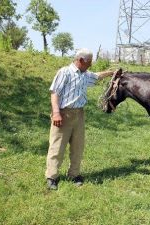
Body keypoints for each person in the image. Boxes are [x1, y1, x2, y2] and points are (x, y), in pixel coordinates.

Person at [45, 48, 114, 190]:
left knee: (78, 147)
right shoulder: (65, 72)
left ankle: (74, 174)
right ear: (81, 60)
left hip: (79, 114)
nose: (91, 65)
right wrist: (56, 113)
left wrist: (112, 73)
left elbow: (97, 76)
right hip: (63, 114)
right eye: (89, 62)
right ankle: (52, 177)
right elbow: (54, 93)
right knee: (57, 147)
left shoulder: (85, 74)